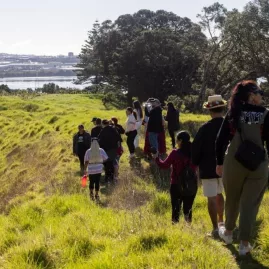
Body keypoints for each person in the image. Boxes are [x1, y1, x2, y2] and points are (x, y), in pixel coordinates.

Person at [216, 81, 269, 256]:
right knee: (250, 204)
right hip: (259, 164)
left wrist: (219, 163)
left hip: (234, 162)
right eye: (260, 92)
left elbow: (221, 139)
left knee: (232, 198)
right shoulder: (266, 114)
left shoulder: (234, 112)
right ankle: (244, 245)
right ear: (252, 95)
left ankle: (229, 233)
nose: (262, 96)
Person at [192, 95, 226, 238]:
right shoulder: (230, 126)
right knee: (221, 194)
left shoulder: (204, 128)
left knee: (211, 198)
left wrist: (195, 164)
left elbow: (196, 149)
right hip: (227, 168)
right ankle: (222, 222)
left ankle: (214, 229)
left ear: (210, 111)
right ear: (223, 109)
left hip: (208, 167)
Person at [155, 131, 197, 223]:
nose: (176, 142)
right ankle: (189, 228)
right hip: (191, 184)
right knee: (188, 208)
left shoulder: (175, 153)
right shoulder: (194, 152)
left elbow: (164, 165)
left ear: (180, 141)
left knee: (175, 209)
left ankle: (175, 227)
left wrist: (156, 158)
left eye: (177, 140)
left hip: (176, 184)